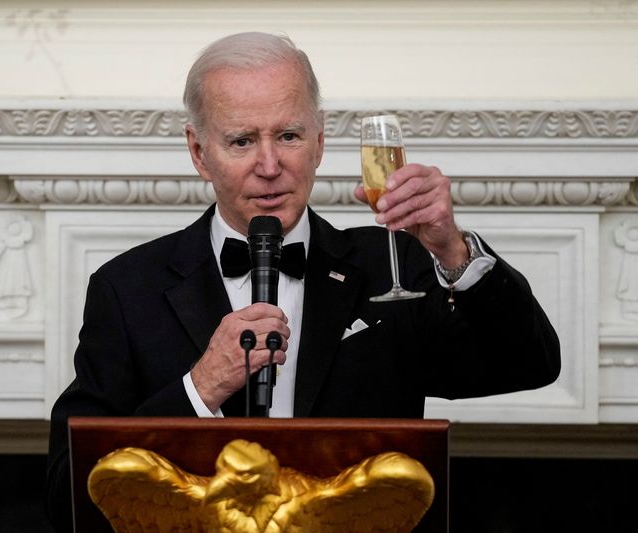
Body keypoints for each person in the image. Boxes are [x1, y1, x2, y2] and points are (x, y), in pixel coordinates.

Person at [45, 32, 560, 531]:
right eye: (242, 141)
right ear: (199, 152)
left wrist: (453, 249)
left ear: (319, 141)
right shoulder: (126, 286)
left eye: (288, 136)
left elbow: (529, 364)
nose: (270, 166)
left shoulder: (393, 261)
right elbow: (68, 487)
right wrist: (200, 388)